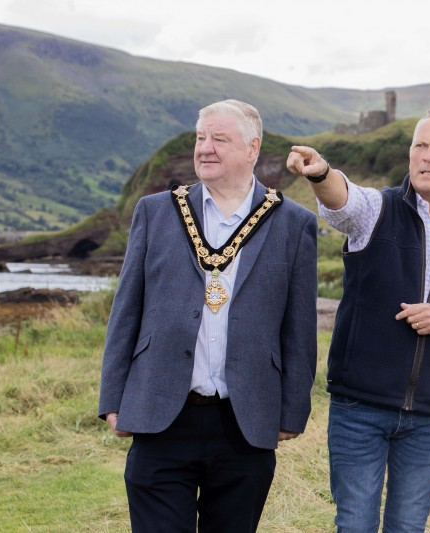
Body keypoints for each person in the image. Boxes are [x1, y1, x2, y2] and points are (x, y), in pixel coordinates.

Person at [286, 105, 430, 532]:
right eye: (420, 146)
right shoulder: (378, 209)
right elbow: (343, 202)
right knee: (354, 524)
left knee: (408, 526)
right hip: (359, 406)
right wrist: (320, 174)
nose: (427, 156)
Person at [98, 99, 318, 533]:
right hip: (161, 414)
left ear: (253, 149)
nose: (205, 148)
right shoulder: (156, 211)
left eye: (220, 139)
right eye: (201, 138)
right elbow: (126, 310)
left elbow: (299, 328)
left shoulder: (293, 224)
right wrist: (113, 400)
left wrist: (293, 411)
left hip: (245, 421)